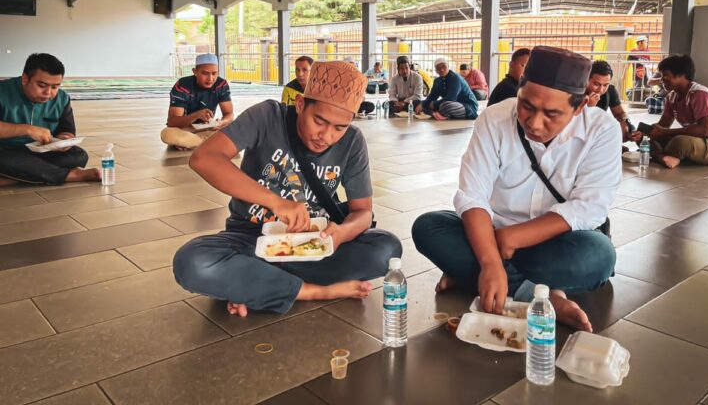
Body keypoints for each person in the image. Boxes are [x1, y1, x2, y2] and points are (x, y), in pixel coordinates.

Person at [412, 46, 621, 333]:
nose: (534, 123)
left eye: (552, 114)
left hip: (554, 242)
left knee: (598, 256)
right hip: (494, 236)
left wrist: (512, 238)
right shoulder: (494, 118)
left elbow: (589, 206)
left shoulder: (602, 130)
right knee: (429, 227)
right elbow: (472, 194)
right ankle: (538, 295)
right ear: (520, 88)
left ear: (580, 106)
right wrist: (489, 261)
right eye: (527, 106)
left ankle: (475, 275)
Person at [173, 61, 402, 316]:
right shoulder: (267, 116)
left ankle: (256, 284)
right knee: (192, 262)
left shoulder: (352, 142)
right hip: (252, 238)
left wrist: (341, 234)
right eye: (319, 121)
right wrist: (275, 202)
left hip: (316, 244)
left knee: (386, 249)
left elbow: (363, 212)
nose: (325, 136)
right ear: (302, 104)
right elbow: (204, 158)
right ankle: (313, 291)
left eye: (339, 127)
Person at [0, 53, 101, 185]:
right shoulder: (3, 92)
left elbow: (67, 129)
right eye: (42, 85)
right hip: (5, 151)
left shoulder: (61, 99)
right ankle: (71, 175)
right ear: (25, 79)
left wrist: (63, 141)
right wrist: (27, 130)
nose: (48, 93)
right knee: (7, 161)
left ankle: (13, 178)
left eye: (55, 87)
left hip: (37, 154)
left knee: (78, 156)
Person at [630, 54, 708, 169]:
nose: (661, 80)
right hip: (697, 140)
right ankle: (664, 156)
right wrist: (644, 134)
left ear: (681, 75)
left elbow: (705, 130)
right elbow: (662, 125)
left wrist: (664, 133)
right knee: (643, 130)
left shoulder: (699, 94)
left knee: (679, 142)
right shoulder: (672, 96)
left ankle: (658, 154)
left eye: (665, 75)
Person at [160, 54, 234, 150]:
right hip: (186, 129)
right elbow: (172, 122)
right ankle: (212, 142)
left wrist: (221, 122)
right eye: (205, 73)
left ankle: (192, 143)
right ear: (195, 72)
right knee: (167, 134)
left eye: (214, 73)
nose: (210, 78)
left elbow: (229, 114)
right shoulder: (183, 85)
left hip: (208, 128)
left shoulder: (221, 84)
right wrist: (196, 115)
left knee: (238, 127)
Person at [585, 61, 634, 142]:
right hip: (581, 132)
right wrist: (589, 107)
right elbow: (573, 122)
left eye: (605, 85)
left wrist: (628, 126)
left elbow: (620, 113)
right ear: (587, 79)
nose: (601, 90)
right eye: (596, 84)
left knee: (621, 125)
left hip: (600, 128)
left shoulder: (610, 90)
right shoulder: (578, 90)